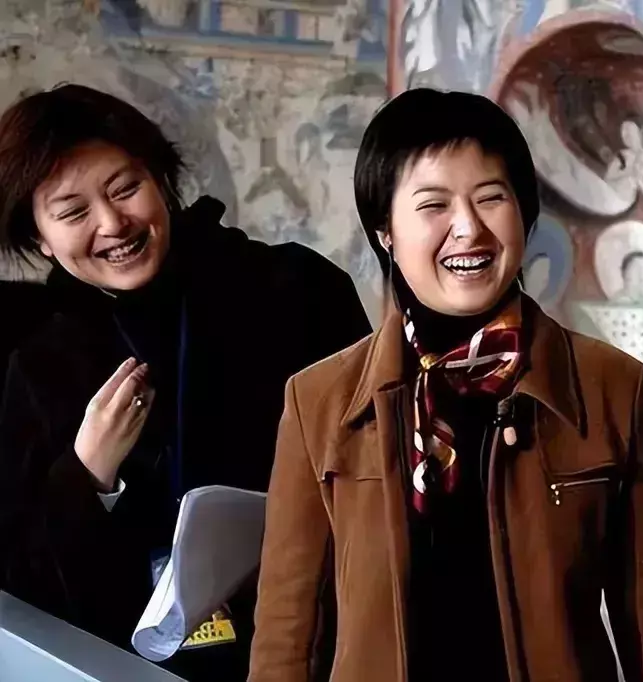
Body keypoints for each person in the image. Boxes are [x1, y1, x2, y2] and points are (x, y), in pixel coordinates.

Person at [248, 88, 643, 682]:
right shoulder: (318, 402)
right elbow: (287, 639)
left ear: (524, 213)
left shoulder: (610, 386)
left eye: (491, 198)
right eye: (433, 205)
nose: (468, 228)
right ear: (386, 231)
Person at [0, 84, 371, 682]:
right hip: (127, 666)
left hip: (315, 644)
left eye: (126, 188)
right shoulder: (40, 367)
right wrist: (86, 475)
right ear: (40, 236)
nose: (112, 223)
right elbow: (25, 586)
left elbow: (377, 470)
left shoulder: (298, 288)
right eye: (72, 213)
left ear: (160, 179)